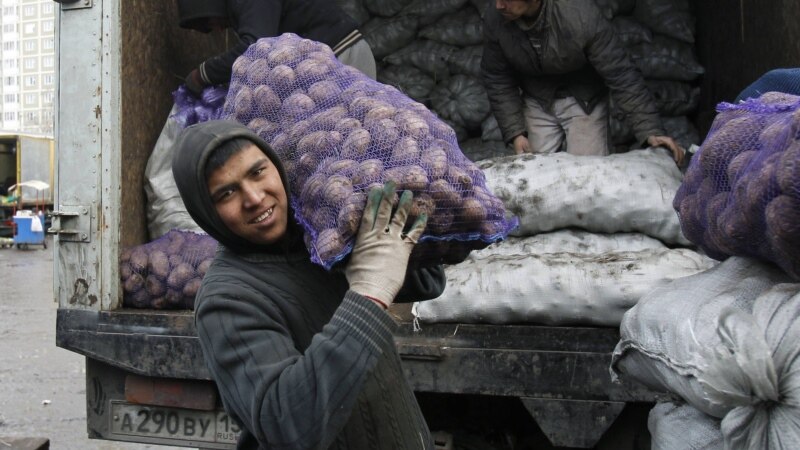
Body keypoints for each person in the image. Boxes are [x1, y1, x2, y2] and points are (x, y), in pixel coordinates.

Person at [171, 119, 444, 449]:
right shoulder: (226, 300)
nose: (254, 197)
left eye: (258, 172)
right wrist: (369, 292)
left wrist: (395, 219)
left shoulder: (319, 238)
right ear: (205, 212)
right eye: (227, 193)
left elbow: (429, 283)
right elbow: (288, 425)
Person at [481, 0, 685, 165]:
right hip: (537, 98)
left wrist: (650, 130)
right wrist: (516, 132)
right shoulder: (496, 18)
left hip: (583, 99)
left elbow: (621, 74)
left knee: (589, 176)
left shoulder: (579, 13)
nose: (499, 5)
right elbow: (497, 77)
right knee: (531, 174)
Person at [176, 0, 377, 95]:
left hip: (341, 55)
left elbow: (256, 49)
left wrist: (204, 74)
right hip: (327, 61)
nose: (218, 29)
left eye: (210, 23)